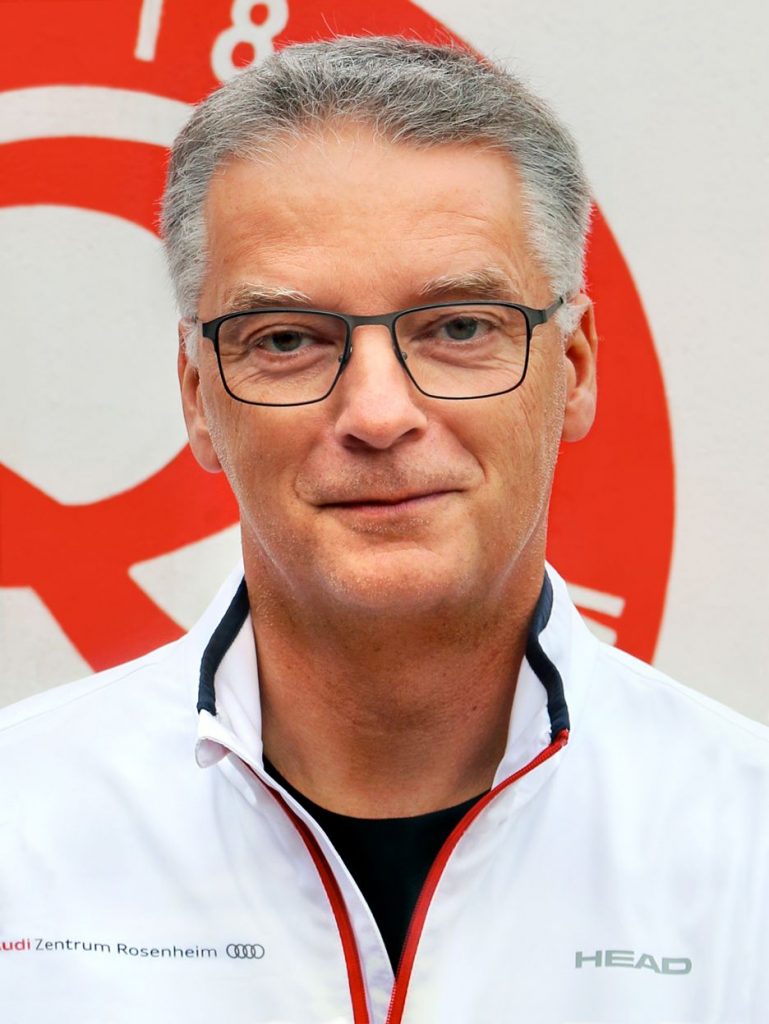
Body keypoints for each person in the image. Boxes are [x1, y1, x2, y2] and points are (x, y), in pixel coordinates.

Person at [1, 35, 767, 1024]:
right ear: (198, 399)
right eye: (287, 339)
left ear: (573, 368)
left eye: (458, 326)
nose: (376, 413)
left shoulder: (747, 843)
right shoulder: (18, 825)